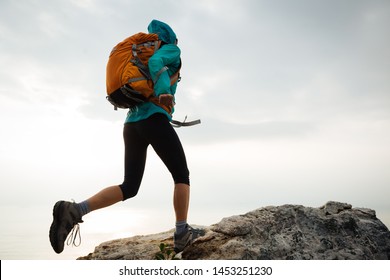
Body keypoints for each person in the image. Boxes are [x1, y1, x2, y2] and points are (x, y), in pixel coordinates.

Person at [49, 19, 203, 255]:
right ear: (170, 37)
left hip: (132, 125)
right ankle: (182, 233)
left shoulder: (136, 53)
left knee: (130, 186)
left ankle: (75, 210)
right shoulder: (168, 49)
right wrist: (163, 92)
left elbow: (150, 65)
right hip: (155, 120)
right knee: (181, 175)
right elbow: (157, 61)